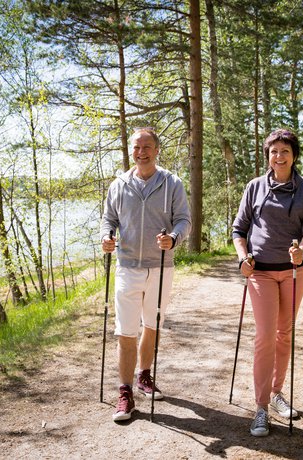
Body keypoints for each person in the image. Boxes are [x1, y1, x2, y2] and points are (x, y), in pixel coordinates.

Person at [232, 128, 303, 437]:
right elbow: (239, 228)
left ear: (294, 155)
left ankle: (277, 393)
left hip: (296, 270)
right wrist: (243, 256)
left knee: (285, 333)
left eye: (284, 151)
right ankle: (260, 408)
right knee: (266, 335)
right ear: (267, 156)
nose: (279, 157)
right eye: (273, 152)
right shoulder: (254, 187)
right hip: (261, 271)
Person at [101, 127, 191, 422]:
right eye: (137, 147)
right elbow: (109, 219)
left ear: (157, 150)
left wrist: (174, 239)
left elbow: (183, 220)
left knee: (151, 325)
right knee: (125, 331)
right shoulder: (119, 184)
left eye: (147, 147)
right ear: (131, 150)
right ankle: (125, 393)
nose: (141, 152)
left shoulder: (172, 183)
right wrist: (107, 237)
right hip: (127, 265)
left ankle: (144, 376)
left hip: (161, 266)